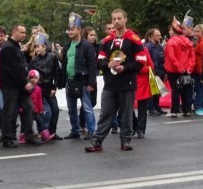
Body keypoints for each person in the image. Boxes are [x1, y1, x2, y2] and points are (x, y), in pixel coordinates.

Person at [85, 9, 148, 152]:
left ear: (125, 19)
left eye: (119, 18)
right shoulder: (107, 41)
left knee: (126, 114)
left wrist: (124, 68)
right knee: (106, 113)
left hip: (127, 82)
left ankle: (125, 140)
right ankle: (97, 141)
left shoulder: (134, 39)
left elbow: (141, 61)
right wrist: (108, 65)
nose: (116, 21)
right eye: (114, 19)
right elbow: (99, 60)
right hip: (110, 83)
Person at [0, 24, 41, 148]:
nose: (24, 35)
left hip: (20, 84)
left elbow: (21, 67)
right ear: (14, 32)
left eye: (24, 33)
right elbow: (13, 69)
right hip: (11, 85)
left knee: (28, 107)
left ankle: (28, 134)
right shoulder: (8, 48)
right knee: (10, 111)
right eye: (22, 32)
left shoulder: (15, 46)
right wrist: (25, 82)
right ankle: (8, 137)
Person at [62, 15, 98, 140]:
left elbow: (92, 65)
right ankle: (75, 130)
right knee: (71, 108)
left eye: (73, 29)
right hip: (70, 80)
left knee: (87, 107)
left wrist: (91, 83)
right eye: (69, 29)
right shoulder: (67, 46)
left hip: (83, 81)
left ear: (79, 30)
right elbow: (65, 64)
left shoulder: (87, 45)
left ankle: (92, 130)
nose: (70, 31)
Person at [28, 33, 62, 141]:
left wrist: (54, 87)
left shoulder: (52, 57)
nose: (36, 49)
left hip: (49, 88)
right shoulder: (34, 60)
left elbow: (57, 72)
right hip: (39, 89)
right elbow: (30, 74)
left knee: (55, 110)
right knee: (45, 111)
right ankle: (43, 130)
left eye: (38, 46)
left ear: (43, 47)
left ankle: (52, 132)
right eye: (35, 47)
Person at [164, 17, 195, 118]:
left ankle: (174, 110)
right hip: (186, 69)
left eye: (170, 30)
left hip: (173, 70)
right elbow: (192, 57)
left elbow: (171, 57)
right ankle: (187, 110)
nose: (169, 32)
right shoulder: (188, 42)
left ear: (173, 31)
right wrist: (189, 68)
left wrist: (179, 67)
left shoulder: (171, 42)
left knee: (175, 90)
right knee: (186, 89)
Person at [144, 28, 166, 115]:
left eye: (160, 35)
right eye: (157, 35)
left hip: (160, 71)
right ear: (152, 36)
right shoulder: (148, 47)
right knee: (152, 91)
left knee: (159, 91)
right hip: (153, 72)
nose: (160, 37)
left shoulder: (160, 46)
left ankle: (157, 107)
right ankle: (151, 109)